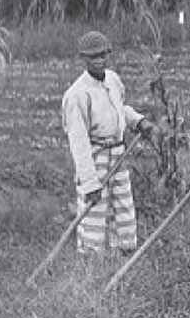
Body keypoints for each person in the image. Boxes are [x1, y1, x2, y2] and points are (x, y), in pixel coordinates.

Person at [61, 30, 153, 254]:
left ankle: (123, 257)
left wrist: (137, 121)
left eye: (103, 55)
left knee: (123, 209)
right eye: (93, 57)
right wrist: (90, 182)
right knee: (94, 214)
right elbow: (79, 142)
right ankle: (90, 265)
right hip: (96, 157)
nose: (99, 60)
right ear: (84, 59)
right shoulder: (77, 94)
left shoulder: (113, 79)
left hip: (119, 154)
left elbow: (119, 108)